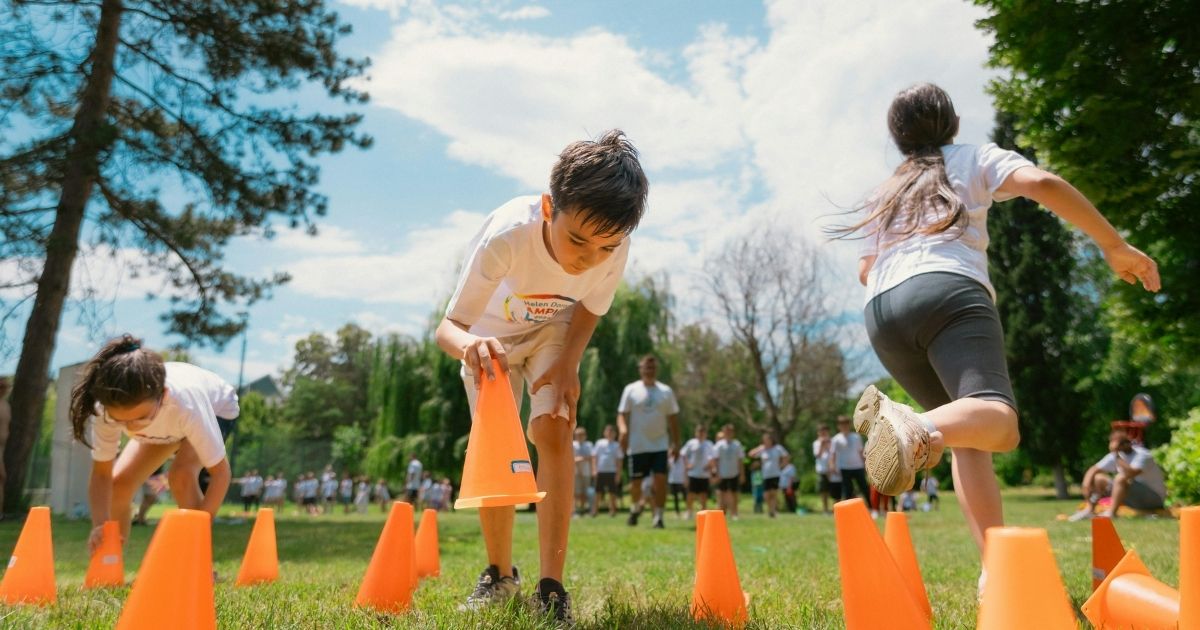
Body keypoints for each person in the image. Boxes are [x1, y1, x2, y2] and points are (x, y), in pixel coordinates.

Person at [838, 84, 1159, 586]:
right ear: (954, 121)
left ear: (898, 138)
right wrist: (1113, 245)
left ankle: (998, 570)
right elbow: (1043, 183)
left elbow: (864, 270)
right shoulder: (972, 157)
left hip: (881, 312)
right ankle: (912, 427)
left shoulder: (888, 190)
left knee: (971, 437)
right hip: (946, 291)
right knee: (1000, 422)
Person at [433, 130, 648, 622]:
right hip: (489, 341)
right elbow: (449, 328)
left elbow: (592, 305)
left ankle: (552, 585)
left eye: (605, 247)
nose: (587, 259)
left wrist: (569, 364)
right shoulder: (507, 236)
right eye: (577, 240)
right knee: (498, 443)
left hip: (554, 329)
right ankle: (499, 573)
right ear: (550, 208)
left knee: (554, 426)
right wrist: (472, 348)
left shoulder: (613, 248)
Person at [71, 334, 238, 553]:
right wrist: (100, 526)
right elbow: (102, 475)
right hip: (166, 423)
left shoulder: (185, 404)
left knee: (181, 475)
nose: (132, 428)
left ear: (163, 395)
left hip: (217, 407)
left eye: (139, 418)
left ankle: (201, 565)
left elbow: (220, 474)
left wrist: (200, 529)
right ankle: (110, 564)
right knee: (119, 485)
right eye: (121, 421)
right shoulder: (104, 411)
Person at [617, 354, 681, 531]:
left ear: (656, 370)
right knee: (636, 484)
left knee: (660, 480)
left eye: (652, 368)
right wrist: (623, 430)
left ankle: (658, 517)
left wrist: (676, 444)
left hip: (660, 444)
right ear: (640, 369)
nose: (649, 370)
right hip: (637, 446)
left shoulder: (666, 391)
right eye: (646, 367)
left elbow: (674, 419)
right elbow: (622, 413)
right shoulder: (631, 389)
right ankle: (635, 508)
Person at [1070, 429, 1167, 521]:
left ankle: (1111, 513)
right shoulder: (1116, 455)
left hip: (1153, 498)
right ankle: (1089, 510)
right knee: (1098, 478)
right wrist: (1086, 485)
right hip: (1133, 498)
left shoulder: (1143, 455)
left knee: (1121, 478)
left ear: (1128, 443)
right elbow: (1093, 469)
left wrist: (1116, 455)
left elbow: (1130, 473)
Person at [679, 424, 715, 519]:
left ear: (706, 433)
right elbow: (683, 454)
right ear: (696, 433)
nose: (701, 434)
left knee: (704, 494)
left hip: (704, 474)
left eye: (703, 432)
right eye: (699, 432)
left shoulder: (709, 444)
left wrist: (710, 466)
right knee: (690, 494)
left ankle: (703, 512)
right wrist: (687, 465)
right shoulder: (691, 443)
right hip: (693, 473)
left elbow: (713, 457)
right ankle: (689, 511)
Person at [749, 432, 789, 518]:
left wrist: (782, 466)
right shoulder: (762, 450)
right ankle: (769, 509)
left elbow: (786, 456)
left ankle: (773, 511)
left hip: (775, 474)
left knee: (774, 493)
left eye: (768, 440)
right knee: (767, 494)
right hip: (765, 475)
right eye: (765, 440)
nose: (767, 441)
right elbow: (751, 454)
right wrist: (759, 448)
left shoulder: (778, 448)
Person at [830, 415, 868, 501]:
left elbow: (861, 452)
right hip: (844, 467)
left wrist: (865, 464)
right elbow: (833, 454)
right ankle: (848, 510)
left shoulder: (856, 437)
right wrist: (832, 465)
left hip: (858, 466)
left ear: (849, 425)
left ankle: (871, 508)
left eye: (846, 424)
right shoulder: (836, 439)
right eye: (842, 424)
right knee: (847, 490)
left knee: (864, 487)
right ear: (838, 426)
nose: (844, 426)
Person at [591, 424, 624, 517]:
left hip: (612, 471)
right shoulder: (599, 443)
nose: (610, 433)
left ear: (615, 434)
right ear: (604, 433)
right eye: (608, 431)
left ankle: (613, 511)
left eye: (611, 432)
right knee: (597, 492)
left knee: (612, 493)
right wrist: (594, 469)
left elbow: (619, 460)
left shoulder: (617, 445)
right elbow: (594, 457)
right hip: (600, 471)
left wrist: (618, 474)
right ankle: (595, 511)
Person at [713, 424, 745, 520]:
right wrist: (717, 473)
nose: (728, 433)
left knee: (734, 495)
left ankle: (734, 513)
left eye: (730, 431)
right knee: (721, 495)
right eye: (726, 431)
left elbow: (740, 460)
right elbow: (716, 460)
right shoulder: (719, 445)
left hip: (734, 473)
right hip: (722, 474)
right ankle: (721, 514)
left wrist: (742, 474)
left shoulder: (737, 444)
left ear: (733, 433)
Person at [813, 424, 836, 513]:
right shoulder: (816, 443)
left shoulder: (833, 441)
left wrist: (828, 444)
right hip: (822, 470)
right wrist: (822, 445)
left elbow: (834, 453)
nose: (823, 433)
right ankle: (825, 509)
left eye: (824, 431)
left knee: (834, 491)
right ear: (818, 433)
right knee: (823, 491)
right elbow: (817, 455)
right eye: (821, 431)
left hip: (833, 470)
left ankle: (835, 509)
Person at [572, 427, 594, 518]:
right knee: (576, 492)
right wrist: (583, 458)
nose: (579, 437)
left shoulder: (589, 445)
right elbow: (571, 459)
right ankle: (575, 510)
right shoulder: (573, 445)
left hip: (586, 472)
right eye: (577, 435)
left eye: (581, 435)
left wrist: (580, 459)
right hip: (575, 472)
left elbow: (591, 457)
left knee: (585, 492)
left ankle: (583, 509)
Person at [667, 449, 687, 519]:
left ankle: (687, 510)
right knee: (675, 498)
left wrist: (685, 479)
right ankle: (677, 512)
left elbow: (685, 468)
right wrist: (668, 456)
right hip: (673, 480)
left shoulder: (682, 458)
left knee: (685, 496)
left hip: (681, 480)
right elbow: (668, 468)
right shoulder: (670, 459)